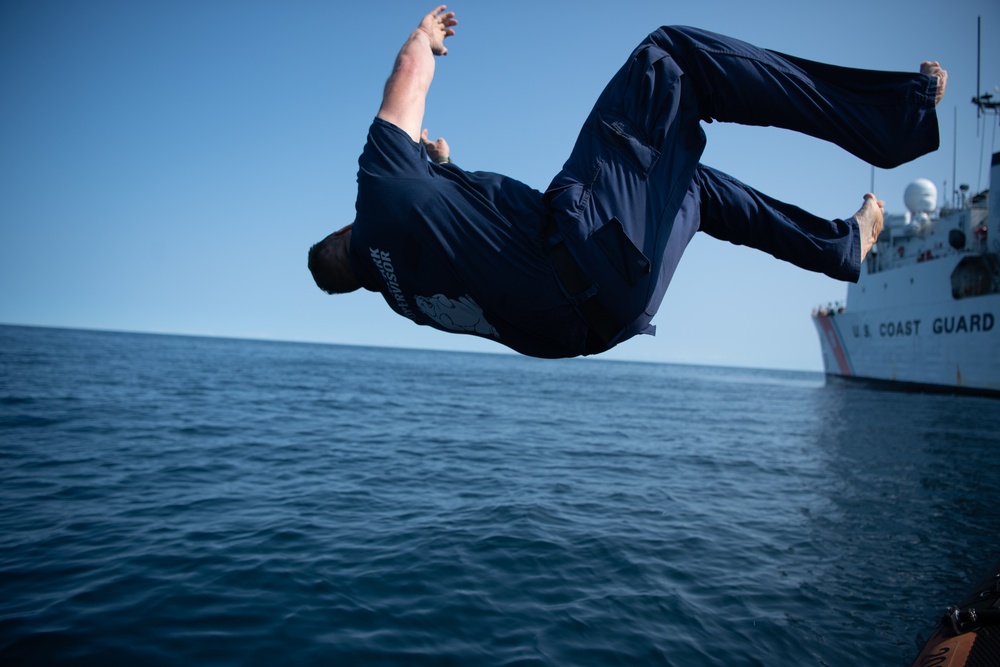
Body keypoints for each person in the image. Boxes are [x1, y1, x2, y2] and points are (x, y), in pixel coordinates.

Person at [308, 6, 946, 359]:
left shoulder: (403, 296)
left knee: (695, 190)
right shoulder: (379, 195)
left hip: (612, 315)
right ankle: (891, 117)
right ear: (345, 229)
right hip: (587, 246)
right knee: (669, 58)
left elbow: (467, 254)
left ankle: (838, 247)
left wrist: (444, 168)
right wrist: (421, 37)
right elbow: (405, 86)